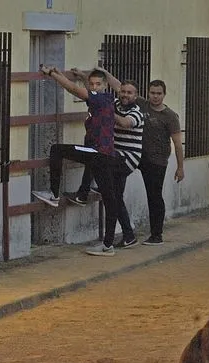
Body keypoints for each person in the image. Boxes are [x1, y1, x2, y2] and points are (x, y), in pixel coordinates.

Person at [31, 66, 127, 257]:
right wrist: (67, 74)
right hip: (105, 156)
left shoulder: (100, 98)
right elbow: (86, 91)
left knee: (57, 149)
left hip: (96, 153)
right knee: (110, 200)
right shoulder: (107, 99)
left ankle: (54, 194)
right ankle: (108, 245)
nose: (94, 87)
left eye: (98, 84)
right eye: (92, 84)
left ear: (105, 85)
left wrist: (53, 75)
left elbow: (75, 89)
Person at [80, 68, 144, 249]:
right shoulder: (114, 103)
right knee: (116, 197)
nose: (125, 95)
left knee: (95, 158)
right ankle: (129, 236)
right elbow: (94, 96)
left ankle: (84, 191)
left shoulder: (137, 112)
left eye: (129, 93)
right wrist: (84, 78)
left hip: (126, 159)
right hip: (115, 156)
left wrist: (106, 111)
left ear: (136, 96)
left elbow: (124, 123)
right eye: (123, 91)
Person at [137, 79, 184, 245]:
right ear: (148, 93)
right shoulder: (142, 105)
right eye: (152, 93)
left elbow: (177, 144)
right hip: (138, 156)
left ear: (164, 95)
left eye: (159, 93)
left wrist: (180, 167)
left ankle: (157, 235)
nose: (155, 96)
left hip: (157, 161)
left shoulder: (170, 116)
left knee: (154, 196)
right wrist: (104, 73)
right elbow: (118, 86)